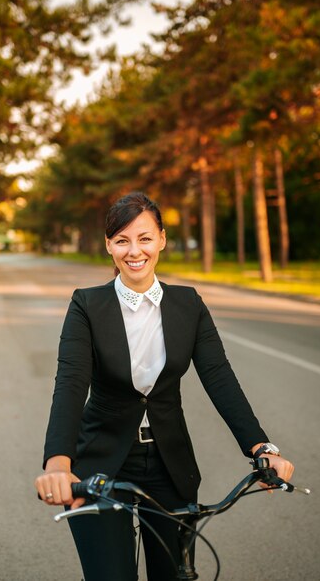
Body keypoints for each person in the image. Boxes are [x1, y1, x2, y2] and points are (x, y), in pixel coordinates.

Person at [35, 192, 294, 581]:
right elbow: (70, 382)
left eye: (144, 238)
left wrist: (262, 448)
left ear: (161, 239)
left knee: (175, 575)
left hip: (170, 465)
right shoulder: (87, 305)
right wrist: (58, 463)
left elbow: (219, 377)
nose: (134, 251)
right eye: (122, 240)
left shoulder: (187, 305)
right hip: (101, 462)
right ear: (109, 246)